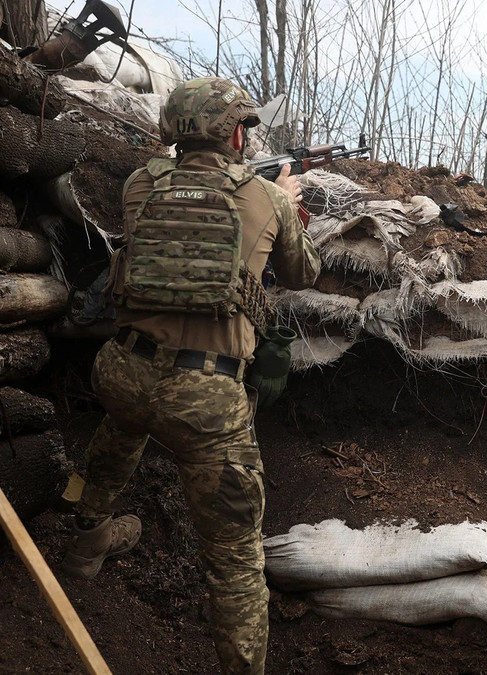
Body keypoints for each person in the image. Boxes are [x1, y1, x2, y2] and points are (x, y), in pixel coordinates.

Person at [60, 77, 320, 673]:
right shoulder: (268, 199)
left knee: (124, 427)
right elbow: (302, 272)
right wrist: (289, 200)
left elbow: (180, 188)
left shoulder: (139, 184)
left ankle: (88, 530)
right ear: (234, 132)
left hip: (121, 372)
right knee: (233, 559)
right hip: (205, 402)